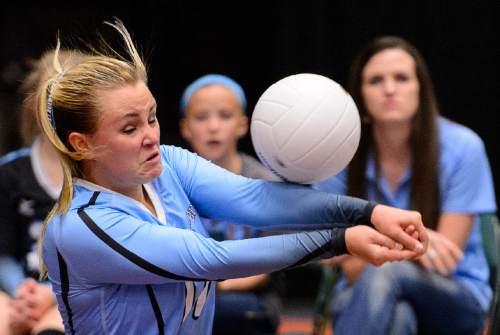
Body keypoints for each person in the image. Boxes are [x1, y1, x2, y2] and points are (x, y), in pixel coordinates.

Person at [37, 20, 427, 335]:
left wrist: (370, 213)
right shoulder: (81, 225)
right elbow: (211, 258)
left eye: (152, 117)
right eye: (129, 129)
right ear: (82, 144)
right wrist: (342, 238)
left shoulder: (168, 164)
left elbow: (257, 200)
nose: (151, 136)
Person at [314, 36, 497, 335]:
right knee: (399, 316)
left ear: (420, 88)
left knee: (390, 274)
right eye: (375, 80)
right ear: (359, 93)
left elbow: (444, 259)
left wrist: (363, 251)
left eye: (401, 78)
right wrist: (414, 246)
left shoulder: (463, 147)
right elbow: (319, 248)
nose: (389, 89)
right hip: (360, 296)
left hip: (455, 298)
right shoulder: (341, 153)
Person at [180, 74, 283, 334]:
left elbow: (269, 264)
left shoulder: (265, 183)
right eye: (201, 117)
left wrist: (216, 286)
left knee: (227, 309)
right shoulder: (170, 182)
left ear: (242, 125)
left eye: (225, 116)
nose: (213, 126)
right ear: (185, 128)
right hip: (185, 294)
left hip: (249, 299)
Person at [0, 49, 86, 335]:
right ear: (34, 105)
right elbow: (3, 252)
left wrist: (52, 295)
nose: (60, 115)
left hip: (78, 295)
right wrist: (22, 292)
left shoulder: (101, 173)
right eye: (52, 103)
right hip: (18, 292)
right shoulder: (11, 173)